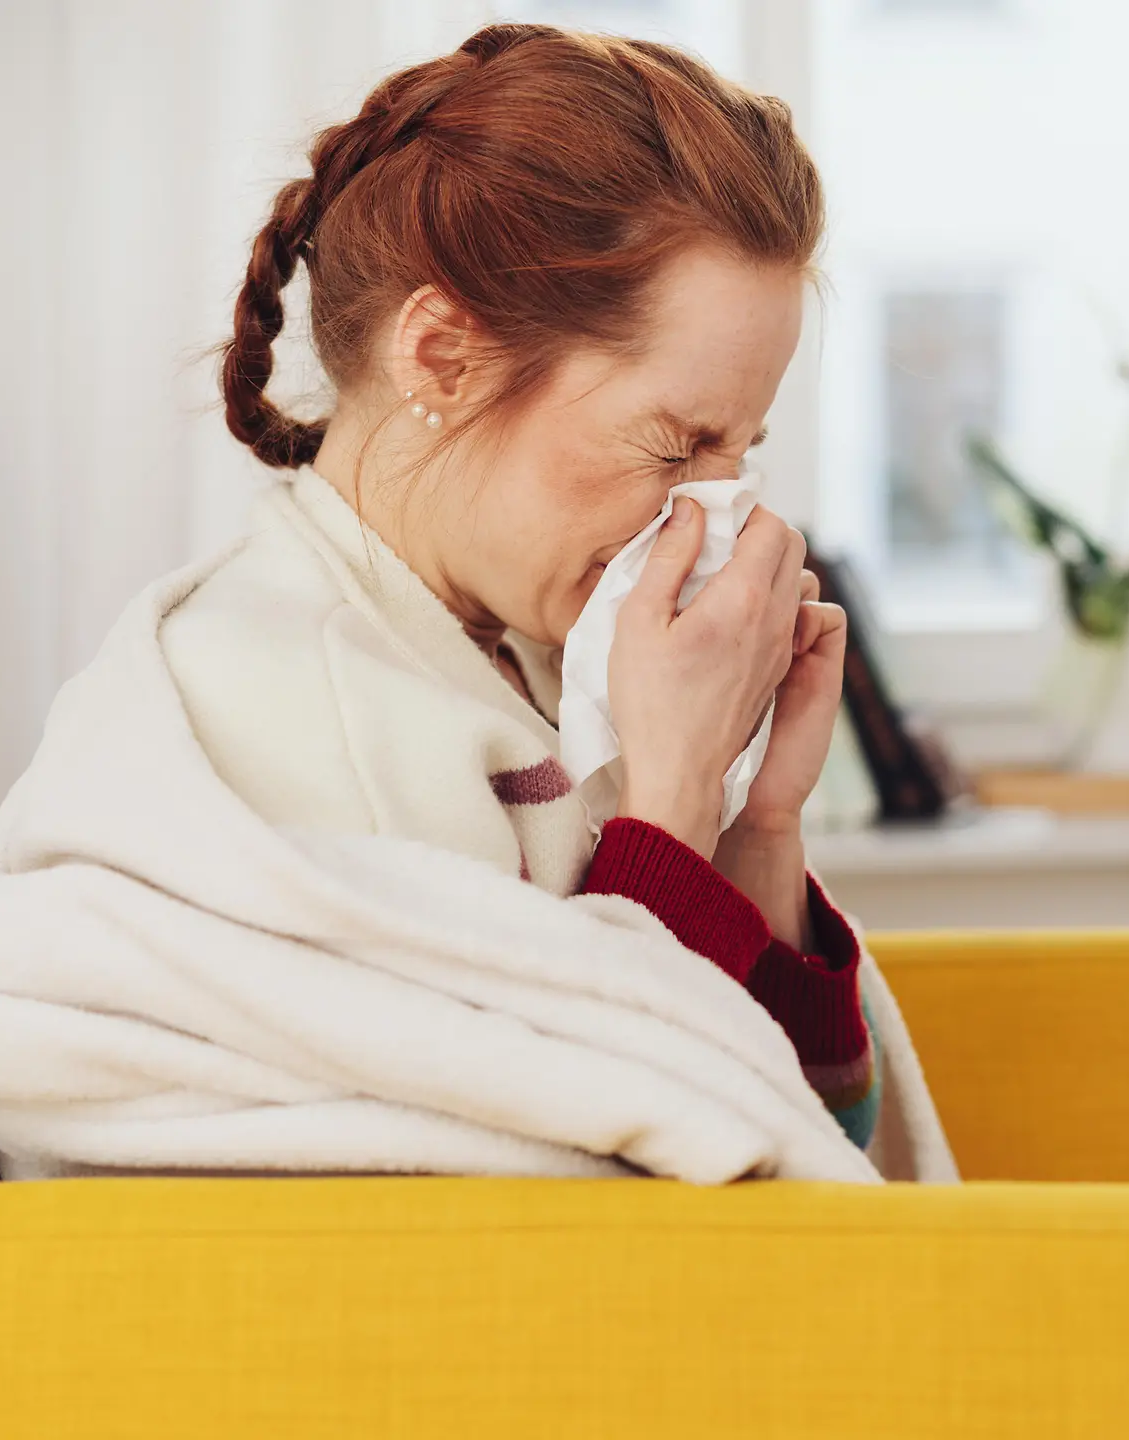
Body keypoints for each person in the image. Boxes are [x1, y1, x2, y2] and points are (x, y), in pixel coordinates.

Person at [175, 21, 884, 1146]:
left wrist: (756, 825)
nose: (708, 518)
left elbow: (821, 1142)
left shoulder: (548, 664)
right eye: (674, 446)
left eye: (738, 454)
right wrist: (672, 798)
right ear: (444, 359)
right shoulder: (284, 710)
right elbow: (553, 1214)